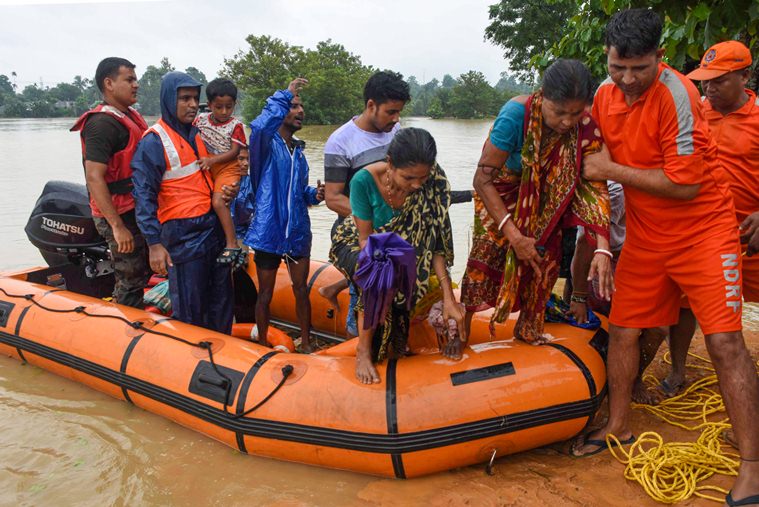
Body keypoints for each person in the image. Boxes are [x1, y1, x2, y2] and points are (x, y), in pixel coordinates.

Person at [572, 10, 759, 505]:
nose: (628, 80)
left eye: (639, 68)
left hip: (705, 232)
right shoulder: (601, 96)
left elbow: (685, 184)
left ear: (660, 57)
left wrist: (610, 168)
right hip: (647, 236)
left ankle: (753, 465)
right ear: (607, 59)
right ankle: (617, 424)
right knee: (625, 329)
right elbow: (582, 156)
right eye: (618, 68)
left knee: (725, 344)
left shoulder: (679, 95)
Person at [460, 59, 613, 354]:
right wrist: (515, 237)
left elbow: (594, 186)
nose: (567, 122)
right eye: (559, 112)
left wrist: (602, 246)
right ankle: (461, 335)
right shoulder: (516, 116)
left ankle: (529, 328)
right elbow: (482, 179)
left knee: (546, 261)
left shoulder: (584, 126)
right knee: (485, 260)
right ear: (543, 96)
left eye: (575, 112)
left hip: (546, 203)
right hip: (501, 200)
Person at [330, 127, 465, 384]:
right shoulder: (363, 181)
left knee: (404, 283)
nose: (416, 185)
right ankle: (362, 350)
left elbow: (434, 246)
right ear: (390, 164)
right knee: (380, 273)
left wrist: (449, 298)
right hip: (354, 242)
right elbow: (366, 242)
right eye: (409, 177)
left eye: (422, 178)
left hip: (403, 252)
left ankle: (394, 352)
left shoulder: (434, 183)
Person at [663, 41, 759, 399]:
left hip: (750, 234)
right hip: (704, 234)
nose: (710, 88)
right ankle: (677, 371)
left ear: (745, 76)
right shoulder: (696, 112)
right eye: (706, 81)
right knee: (686, 305)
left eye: (720, 80)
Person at [131, 71, 233, 333]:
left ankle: (223, 354)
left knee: (220, 303)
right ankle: (192, 359)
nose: (191, 105)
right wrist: (154, 243)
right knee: (191, 307)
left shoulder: (196, 134)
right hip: (183, 236)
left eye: (195, 98)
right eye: (184, 98)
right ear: (169, 100)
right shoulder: (154, 141)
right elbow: (143, 195)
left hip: (212, 229)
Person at [320, 71, 411, 337]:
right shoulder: (341, 141)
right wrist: (375, 219)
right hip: (359, 232)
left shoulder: (397, 134)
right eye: (391, 112)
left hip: (395, 231)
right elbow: (333, 197)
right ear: (371, 105)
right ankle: (356, 346)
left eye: (399, 112)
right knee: (362, 301)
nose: (396, 119)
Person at [242, 78, 324, 352]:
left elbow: (300, 192)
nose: (301, 111)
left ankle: (307, 343)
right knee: (264, 293)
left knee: (301, 290)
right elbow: (260, 126)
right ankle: (263, 343)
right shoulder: (265, 145)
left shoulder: (298, 153)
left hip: (297, 231)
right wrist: (284, 94)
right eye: (294, 107)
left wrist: (316, 195)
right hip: (268, 231)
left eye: (301, 106)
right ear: (281, 111)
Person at [70, 57, 150, 308]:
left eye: (135, 79)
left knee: (144, 269)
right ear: (109, 83)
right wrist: (116, 226)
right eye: (129, 79)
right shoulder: (102, 124)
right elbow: (94, 177)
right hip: (117, 212)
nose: (135, 85)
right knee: (131, 276)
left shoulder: (130, 116)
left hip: (136, 206)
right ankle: (124, 329)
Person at [193, 78, 247, 265]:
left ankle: (232, 244)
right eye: (218, 107)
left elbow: (234, 152)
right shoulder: (199, 120)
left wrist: (212, 159)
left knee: (218, 202)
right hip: (208, 166)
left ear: (235, 105)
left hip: (227, 167)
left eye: (229, 107)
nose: (224, 112)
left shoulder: (236, 126)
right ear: (209, 105)